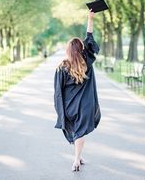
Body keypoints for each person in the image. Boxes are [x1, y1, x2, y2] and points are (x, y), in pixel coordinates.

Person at [54, 10, 101, 172]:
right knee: (80, 133)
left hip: (69, 106)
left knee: (75, 131)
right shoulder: (87, 61)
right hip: (85, 106)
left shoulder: (62, 67)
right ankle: (76, 159)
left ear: (68, 50)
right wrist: (90, 19)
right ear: (81, 49)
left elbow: (58, 91)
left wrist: (60, 110)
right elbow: (89, 39)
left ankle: (78, 157)